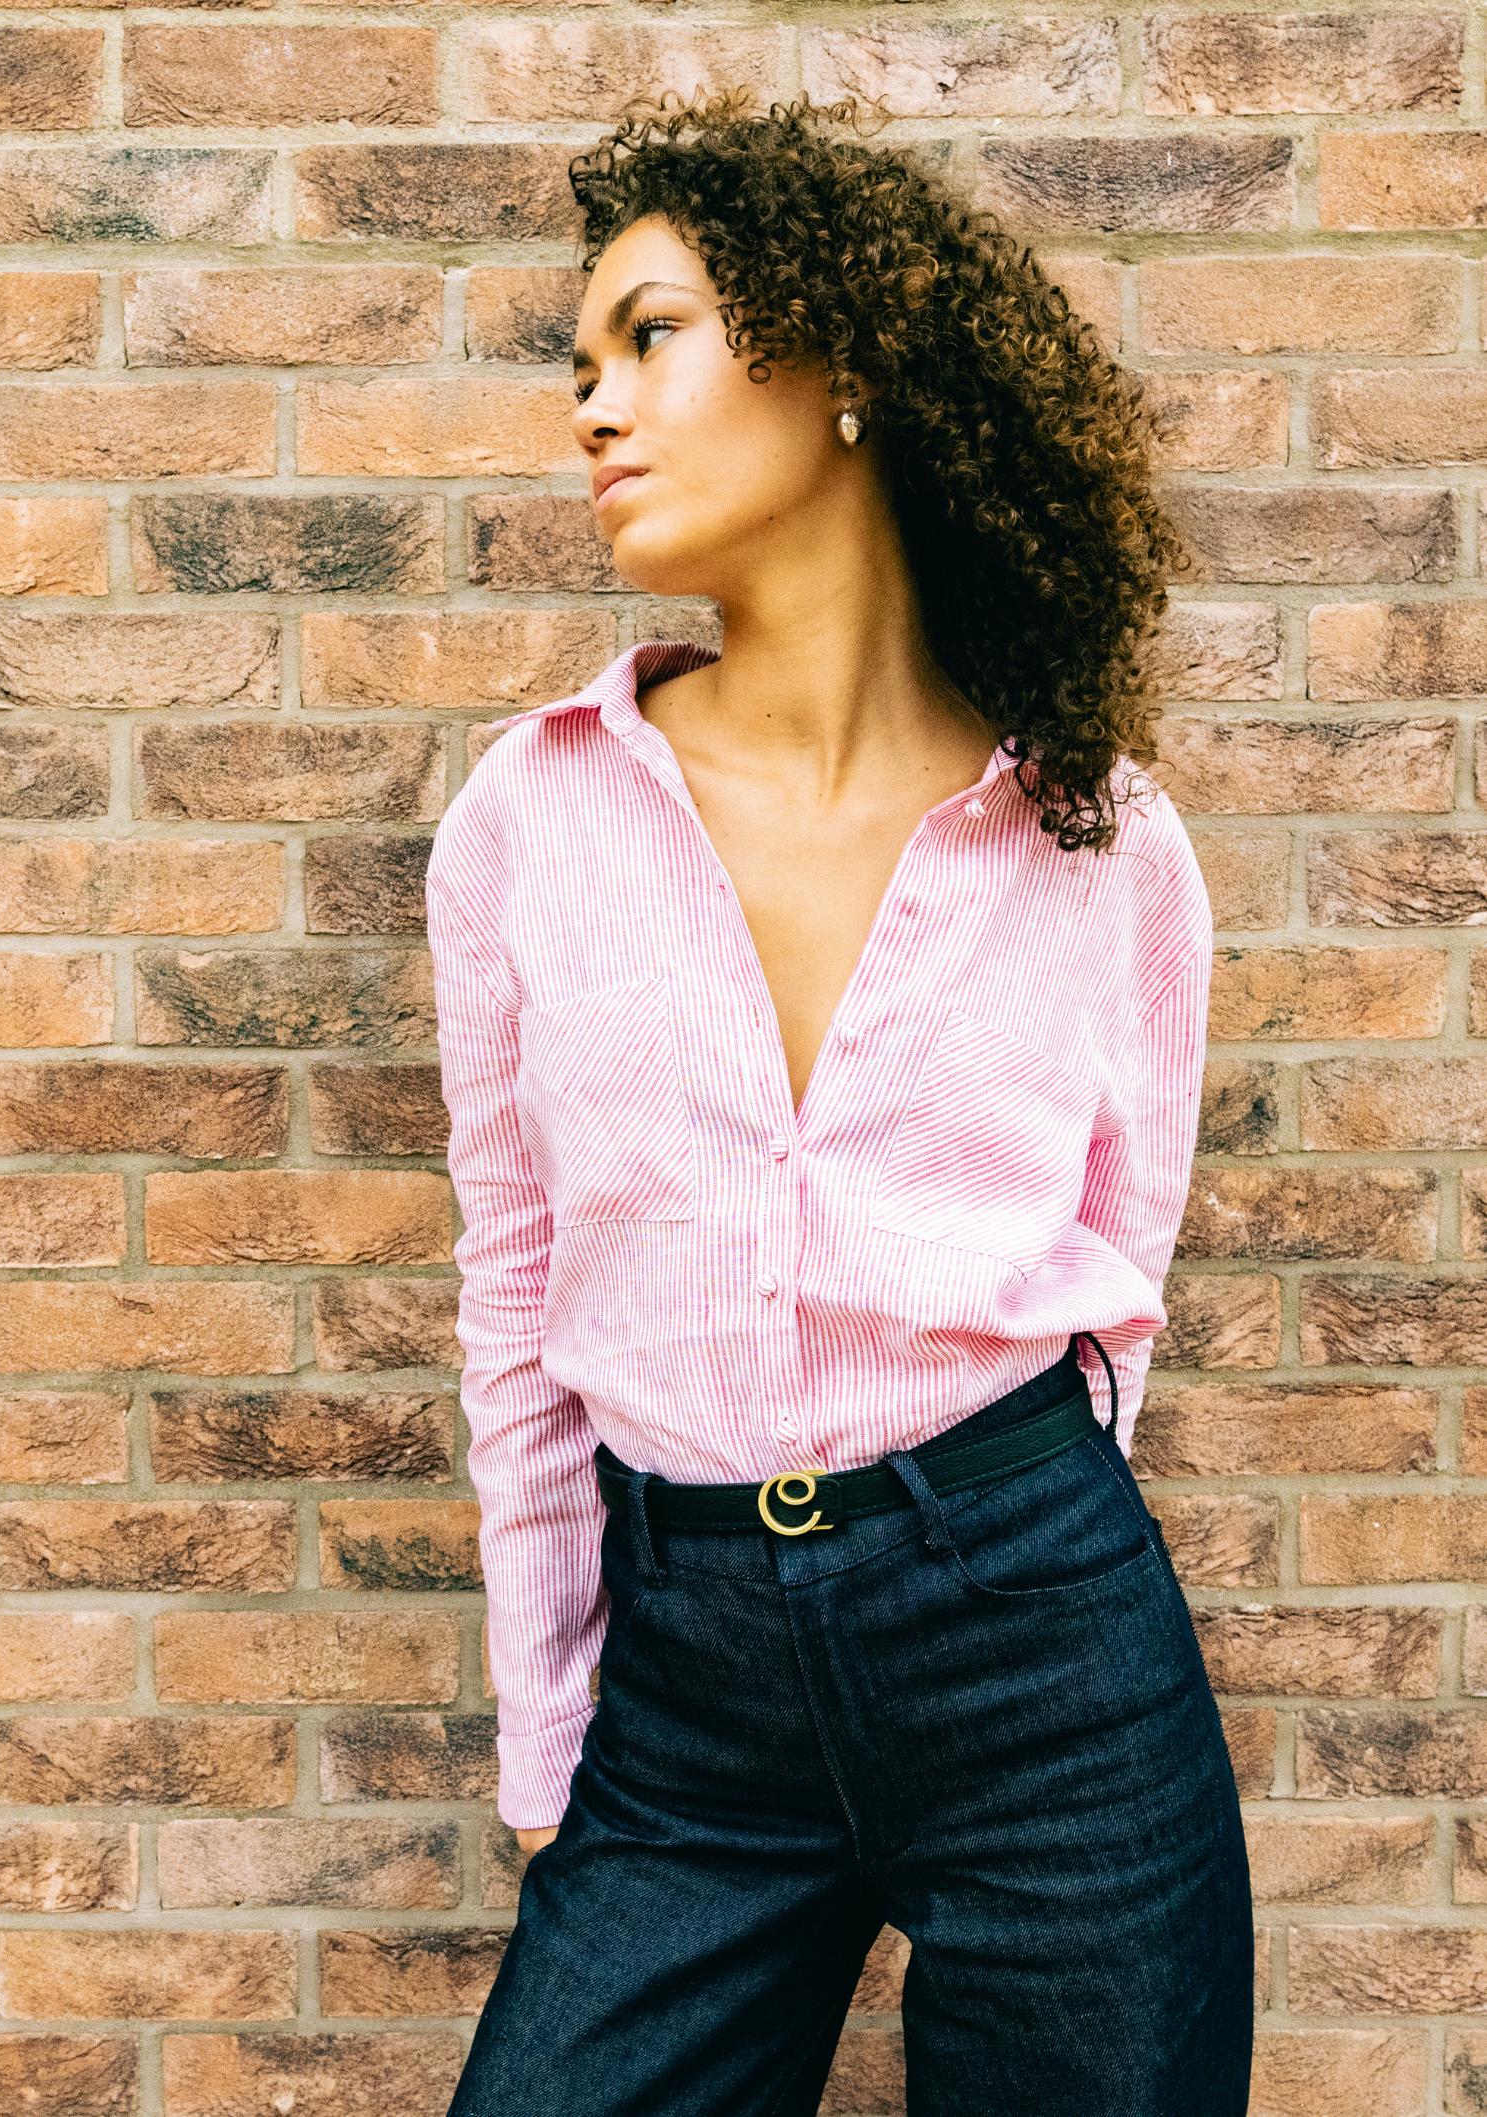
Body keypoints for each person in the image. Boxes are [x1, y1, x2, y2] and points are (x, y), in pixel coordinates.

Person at [428, 93, 1252, 2117]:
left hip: (1044, 1657)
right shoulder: (528, 818)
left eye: (650, 335)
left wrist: (985, 1558)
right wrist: (556, 1739)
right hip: (687, 1695)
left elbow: (1113, 1276)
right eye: (579, 364)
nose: (593, 407)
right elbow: (516, 1306)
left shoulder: (1099, 842)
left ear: (847, 354)